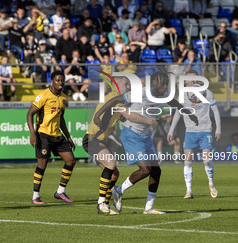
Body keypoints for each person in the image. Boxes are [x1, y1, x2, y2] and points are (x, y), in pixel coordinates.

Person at [97, 71, 198, 214]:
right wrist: (97, 114)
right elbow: (114, 101)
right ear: (154, 83)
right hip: (131, 134)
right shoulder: (140, 93)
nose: (165, 88)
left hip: (145, 136)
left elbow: (174, 102)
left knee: (156, 170)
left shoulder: (162, 95)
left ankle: (148, 208)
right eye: (163, 85)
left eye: (166, 85)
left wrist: (189, 113)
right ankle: (118, 190)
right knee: (145, 170)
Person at [167, 70, 221, 199]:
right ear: (185, 81)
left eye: (194, 79)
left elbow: (216, 111)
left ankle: (211, 183)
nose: (192, 81)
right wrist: (171, 130)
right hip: (190, 131)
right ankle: (189, 190)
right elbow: (177, 113)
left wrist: (218, 129)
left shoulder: (207, 93)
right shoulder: (183, 95)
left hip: (205, 130)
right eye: (189, 79)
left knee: (206, 160)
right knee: (187, 161)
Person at [27, 71, 76, 204]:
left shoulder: (64, 98)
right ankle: (35, 196)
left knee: (71, 160)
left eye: (62, 80)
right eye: (58, 80)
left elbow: (61, 119)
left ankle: (60, 192)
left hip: (57, 135)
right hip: (43, 135)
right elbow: (29, 114)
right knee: (42, 164)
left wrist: (68, 137)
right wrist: (32, 133)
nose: (60, 83)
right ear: (52, 81)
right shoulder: (43, 95)